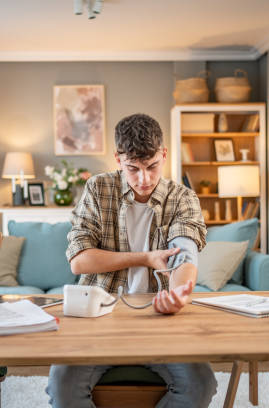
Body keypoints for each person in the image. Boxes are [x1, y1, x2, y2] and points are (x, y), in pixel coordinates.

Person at [46, 113, 217, 407]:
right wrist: (145, 258)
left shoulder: (182, 198)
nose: (144, 179)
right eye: (133, 169)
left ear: (163, 154)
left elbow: (184, 253)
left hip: (159, 324)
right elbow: (79, 260)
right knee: (62, 387)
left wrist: (178, 294)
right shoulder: (98, 189)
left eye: (152, 167)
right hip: (97, 320)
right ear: (118, 159)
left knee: (201, 385)